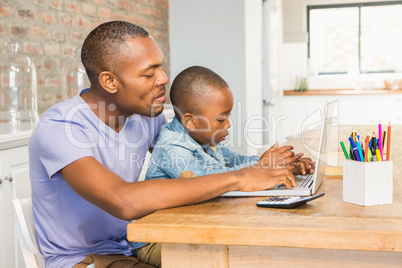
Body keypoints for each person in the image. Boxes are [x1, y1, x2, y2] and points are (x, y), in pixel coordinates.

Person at [29, 21, 299, 268]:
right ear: (109, 81)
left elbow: (189, 156)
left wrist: (265, 166)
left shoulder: (145, 117)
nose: (163, 78)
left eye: (160, 66)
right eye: (149, 74)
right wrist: (238, 178)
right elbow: (123, 201)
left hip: (134, 245)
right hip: (85, 261)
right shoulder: (62, 127)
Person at [145, 66, 314, 181]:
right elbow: (205, 179)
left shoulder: (205, 140)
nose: (228, 125)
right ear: (190, 121)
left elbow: (235, 161)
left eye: (228, 116)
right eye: (220, 119)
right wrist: (262, 166)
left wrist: (281, 165)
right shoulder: (171, 146)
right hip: (166, 225)